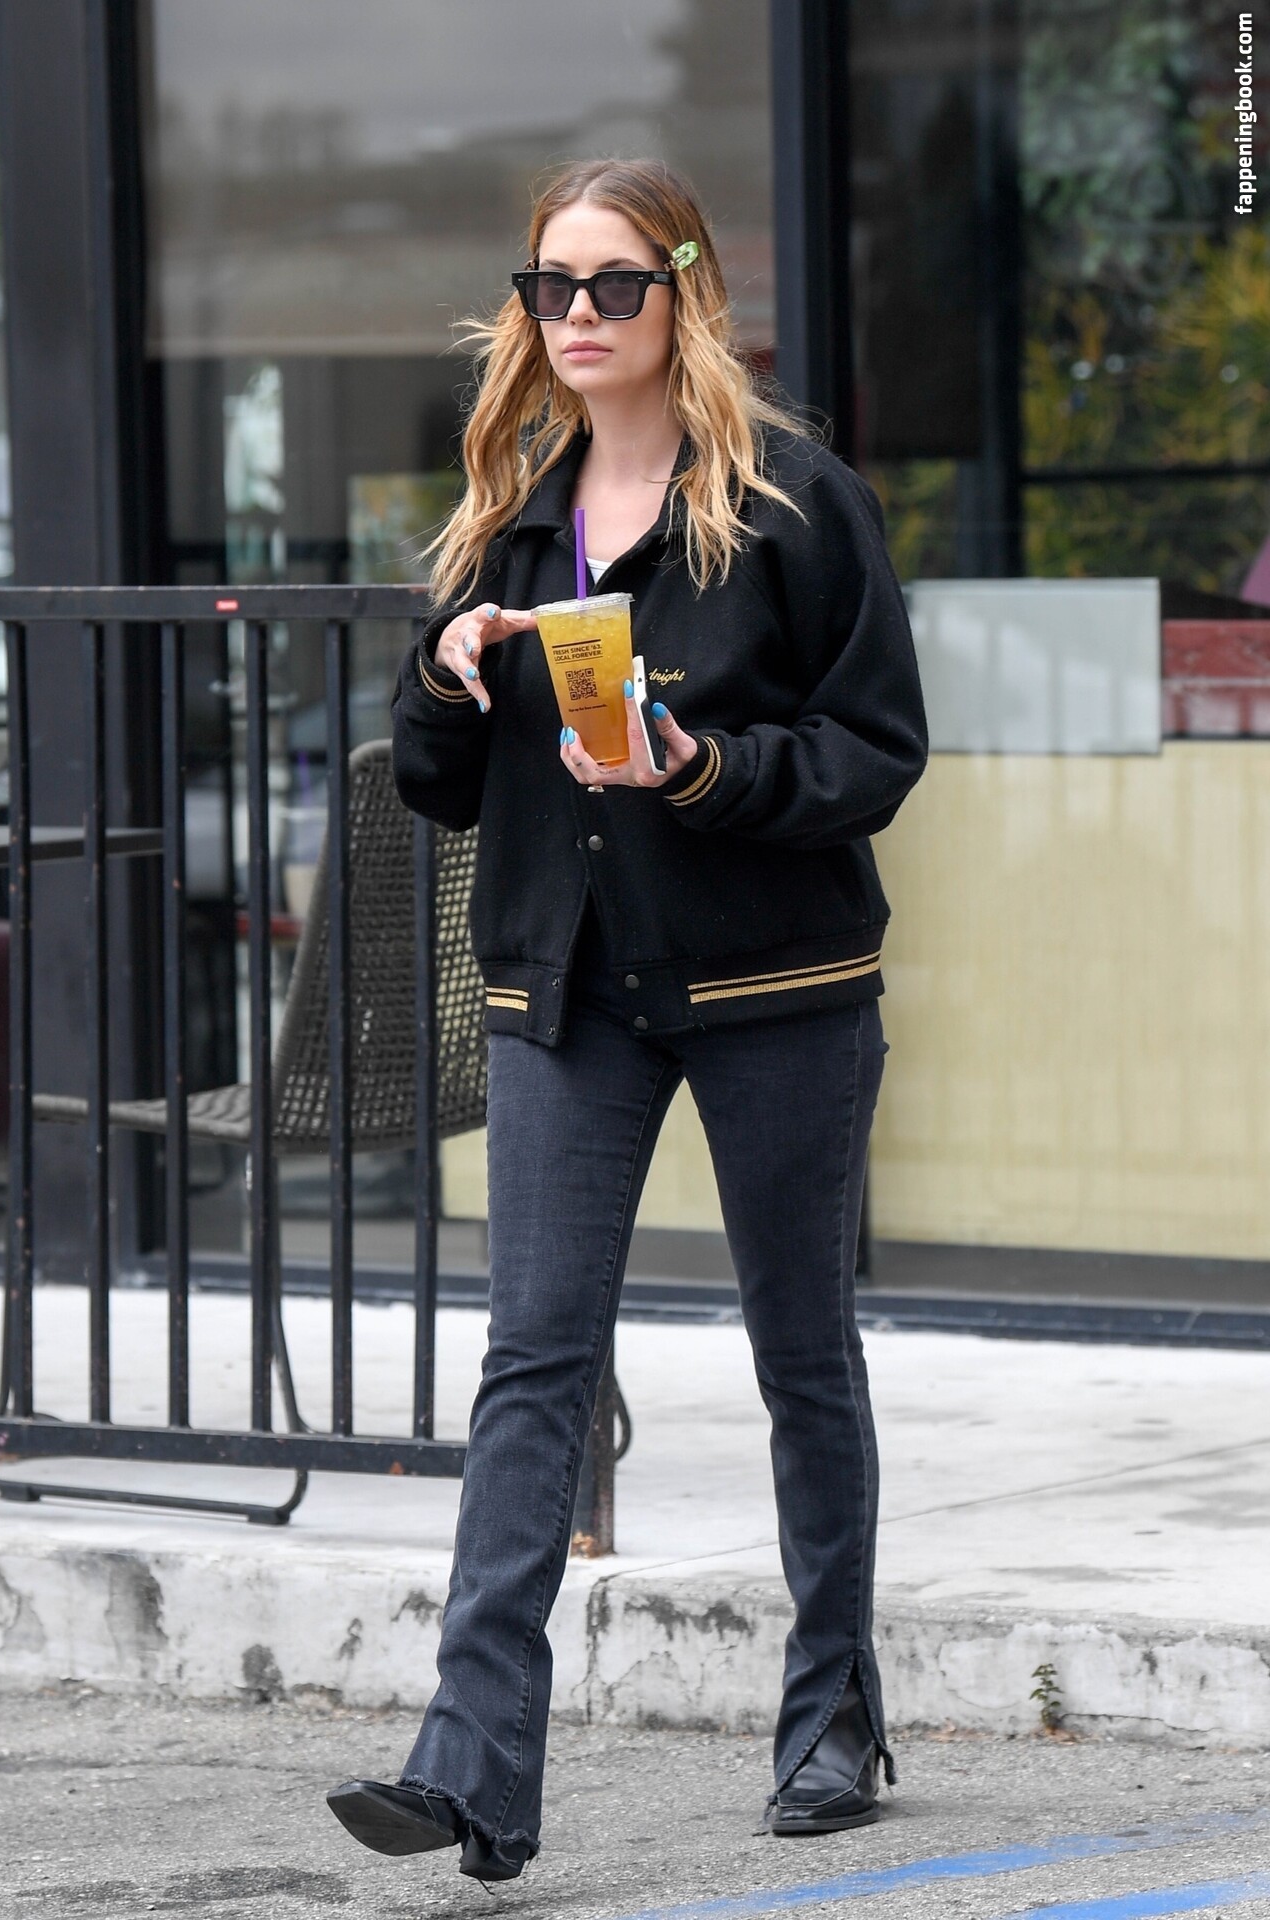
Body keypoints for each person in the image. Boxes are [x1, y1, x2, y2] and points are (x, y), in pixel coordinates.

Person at [327, 157, 927, 1885]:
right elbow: (440, 785)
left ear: (685, 293)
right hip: (568, 987)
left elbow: (877, 755)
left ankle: (831, 1713)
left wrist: (700, 765)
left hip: (773, 985)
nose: (577, 315)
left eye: (612, 285)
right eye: (550, 287)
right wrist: (446, 676)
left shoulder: (796, 505)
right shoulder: (509, 521)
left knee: (799, 1349)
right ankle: (472, 1768)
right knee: (533, 1358)